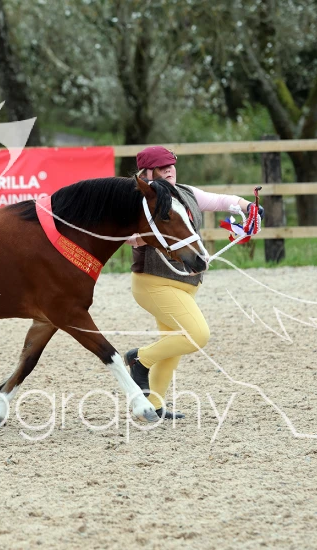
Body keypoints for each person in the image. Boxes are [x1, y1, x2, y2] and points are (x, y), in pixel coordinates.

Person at [125, 146, 263, 419]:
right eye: (161, 167)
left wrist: (248, 207)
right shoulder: (138, 200)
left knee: (172, 349)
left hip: (183, 285)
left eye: (171, 165)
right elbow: (124, 234)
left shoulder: (185, 193)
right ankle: (139, 359)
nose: (169, 170)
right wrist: (138, 237)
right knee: (197, 335)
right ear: (146, 172)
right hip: (154, 283)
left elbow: (221, 201)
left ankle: (151, 406)